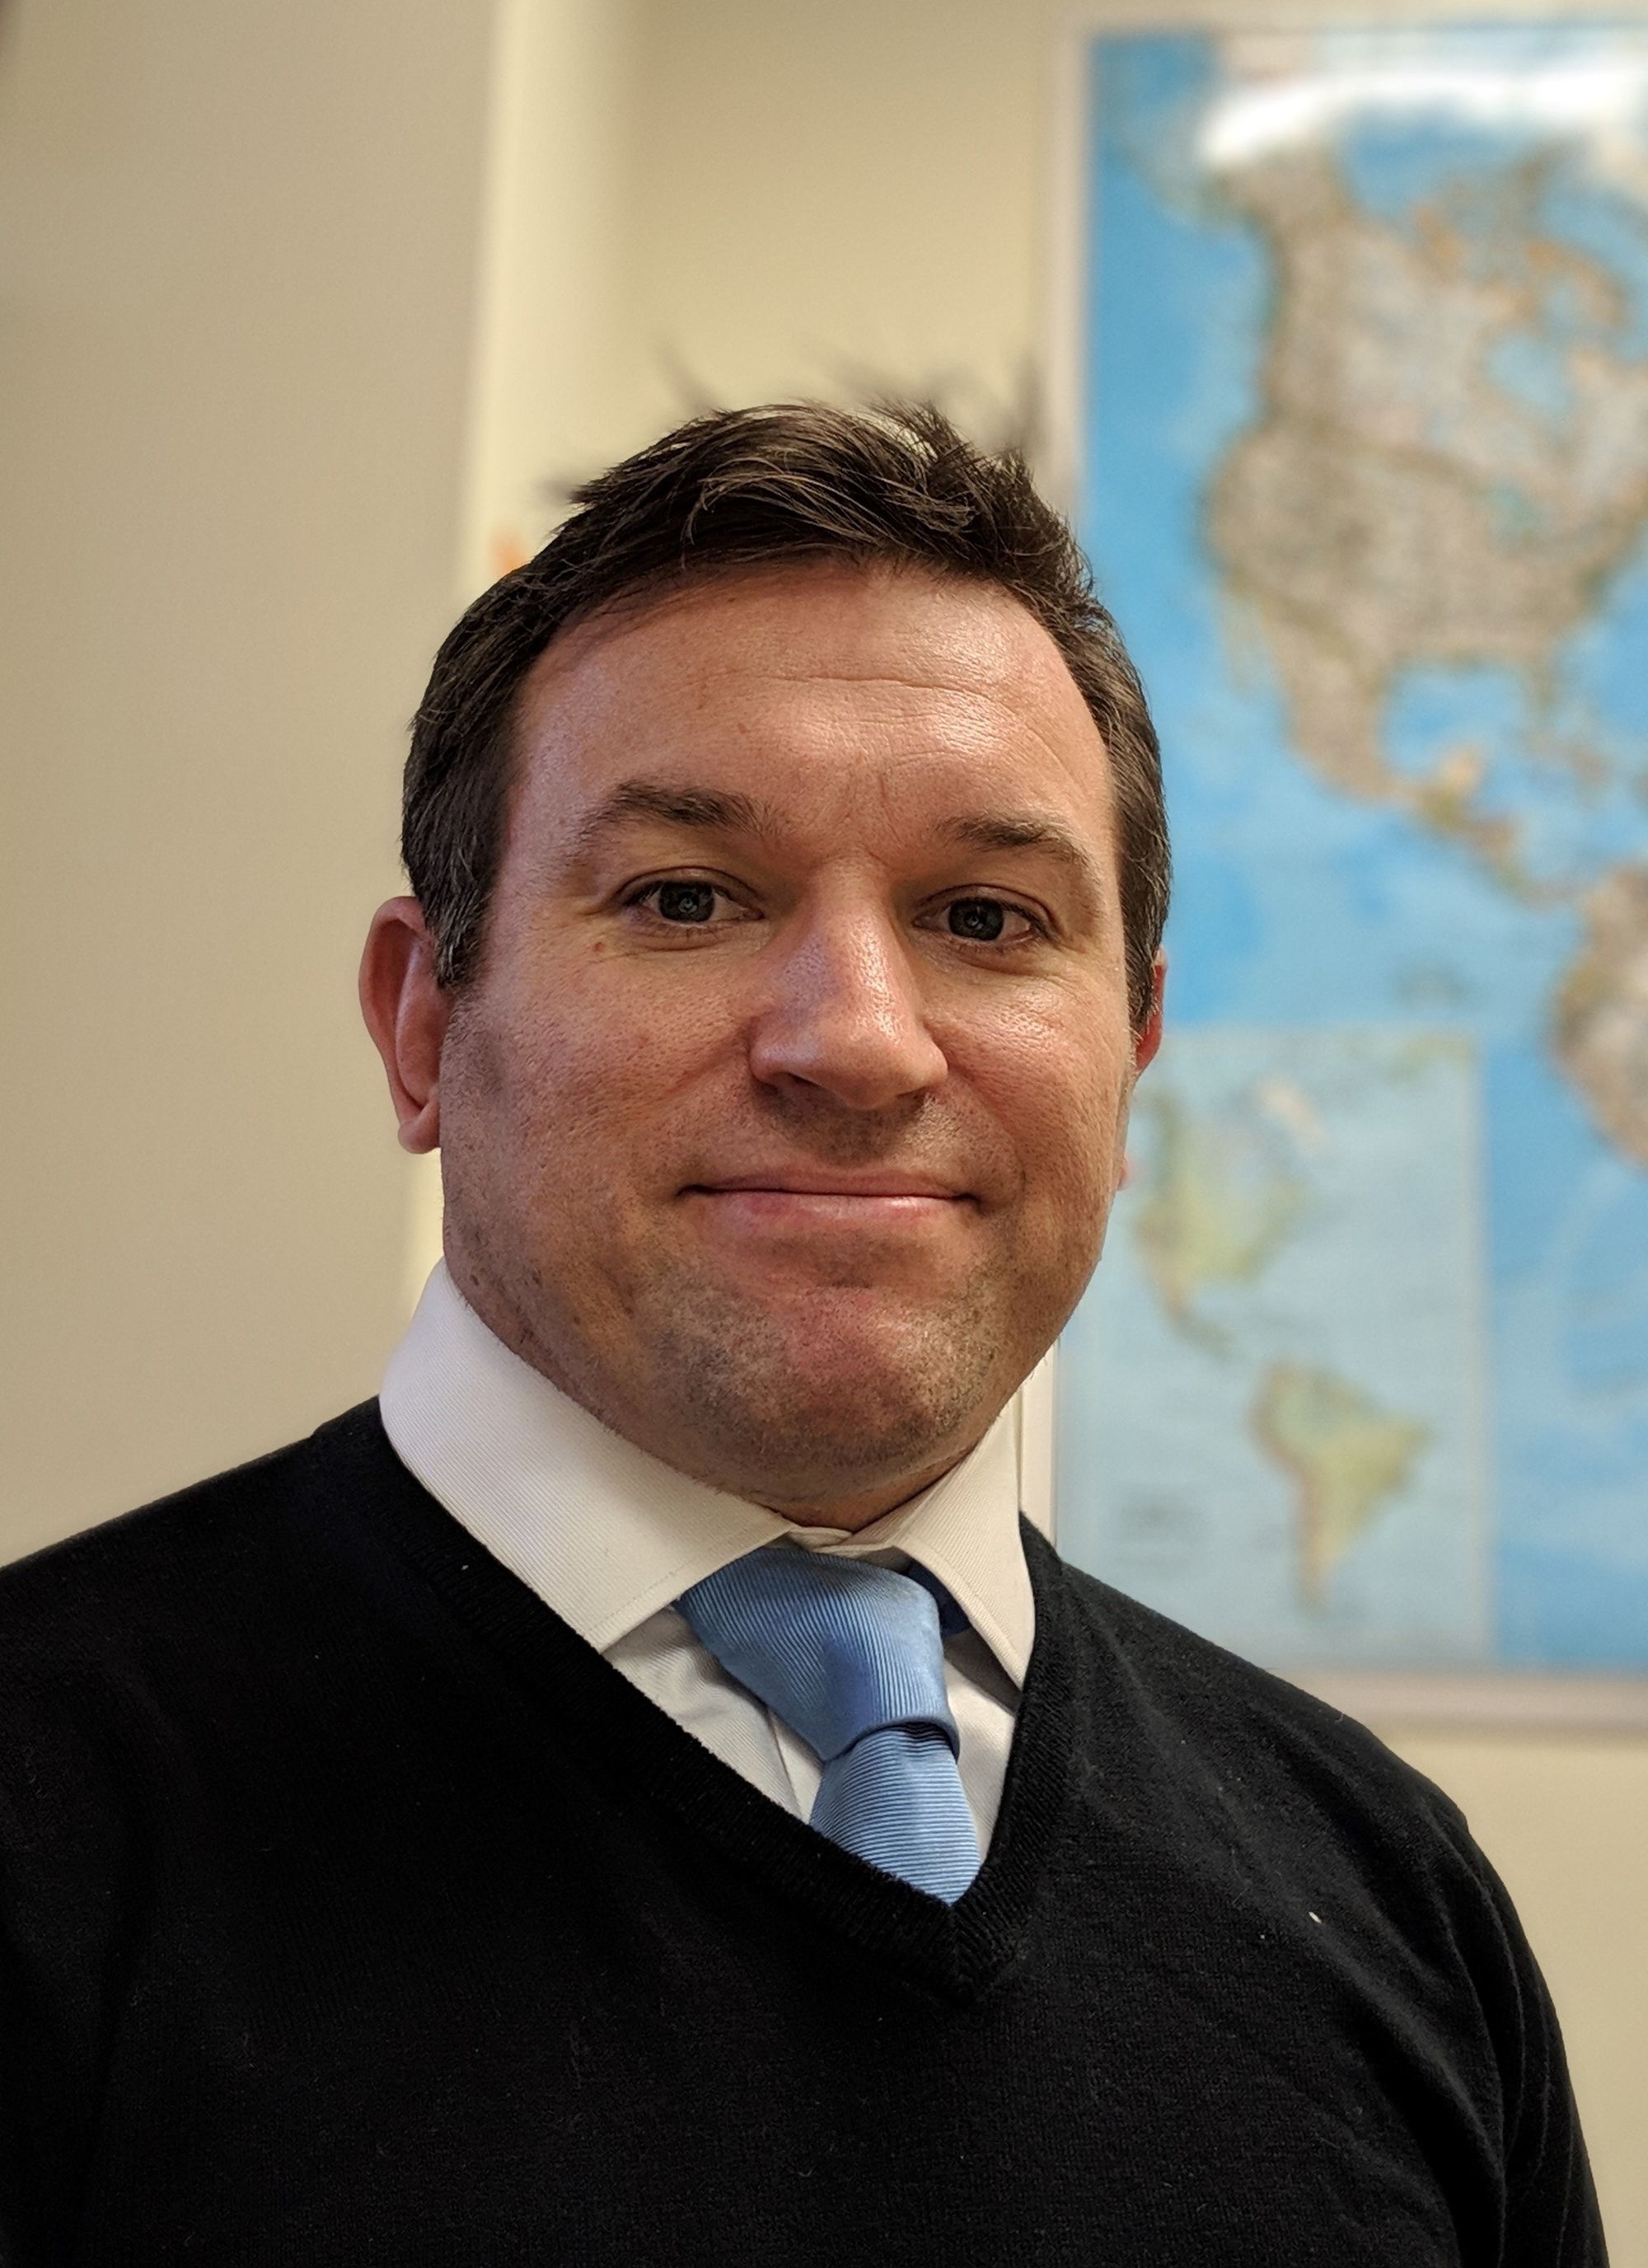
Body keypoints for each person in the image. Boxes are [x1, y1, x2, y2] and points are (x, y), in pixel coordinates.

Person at [0, 402, 1605, 2266]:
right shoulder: (50, 1820)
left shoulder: (1387, 1894)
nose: (854, 1039)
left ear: (1132, 1051)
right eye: (687, 896)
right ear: (425, 1021)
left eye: (985, 917)